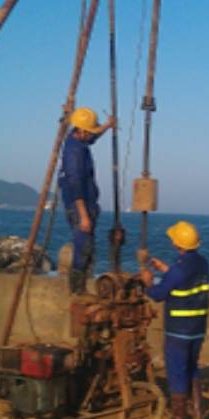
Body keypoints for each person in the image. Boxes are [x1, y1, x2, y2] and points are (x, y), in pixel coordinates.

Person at [140, 221, 209, 419]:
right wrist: (166, 269)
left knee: (176, 370)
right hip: (198, 326)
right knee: (192, 366)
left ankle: (179, 418)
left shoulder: (178, 270)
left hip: (179, 329)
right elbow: (183, 279)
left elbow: (158, 294)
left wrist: (148, 283)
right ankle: (198, 410)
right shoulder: (203, 263)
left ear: (176, 243)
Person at [58, 107, 116, 295]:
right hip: (80, 206)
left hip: (84, 203)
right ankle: (77, 290)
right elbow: (76, 185)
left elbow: (92, 137)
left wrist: (106, 126)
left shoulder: (76, 139)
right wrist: (83, 216)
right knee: (83, 246)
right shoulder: (74, 153)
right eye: (89, 131)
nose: (91, 134)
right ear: (81, 131)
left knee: (87, 247)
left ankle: (80, 287)